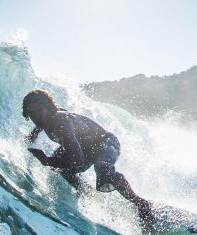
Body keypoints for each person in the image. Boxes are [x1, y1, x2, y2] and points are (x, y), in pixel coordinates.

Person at [22, 89, 153, 225]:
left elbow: (77, 160)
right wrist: (32, 136)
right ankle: (87, 194)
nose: (36, 116)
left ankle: (141, 204)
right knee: (64, 171)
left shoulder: (60, 121)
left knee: (102, 168)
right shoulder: (45, 120)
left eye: (39, 110)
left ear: (48, 107)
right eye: (31, 113)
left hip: (106, 143)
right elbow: (41, 125)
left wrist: (47, 160)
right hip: (85, 147)